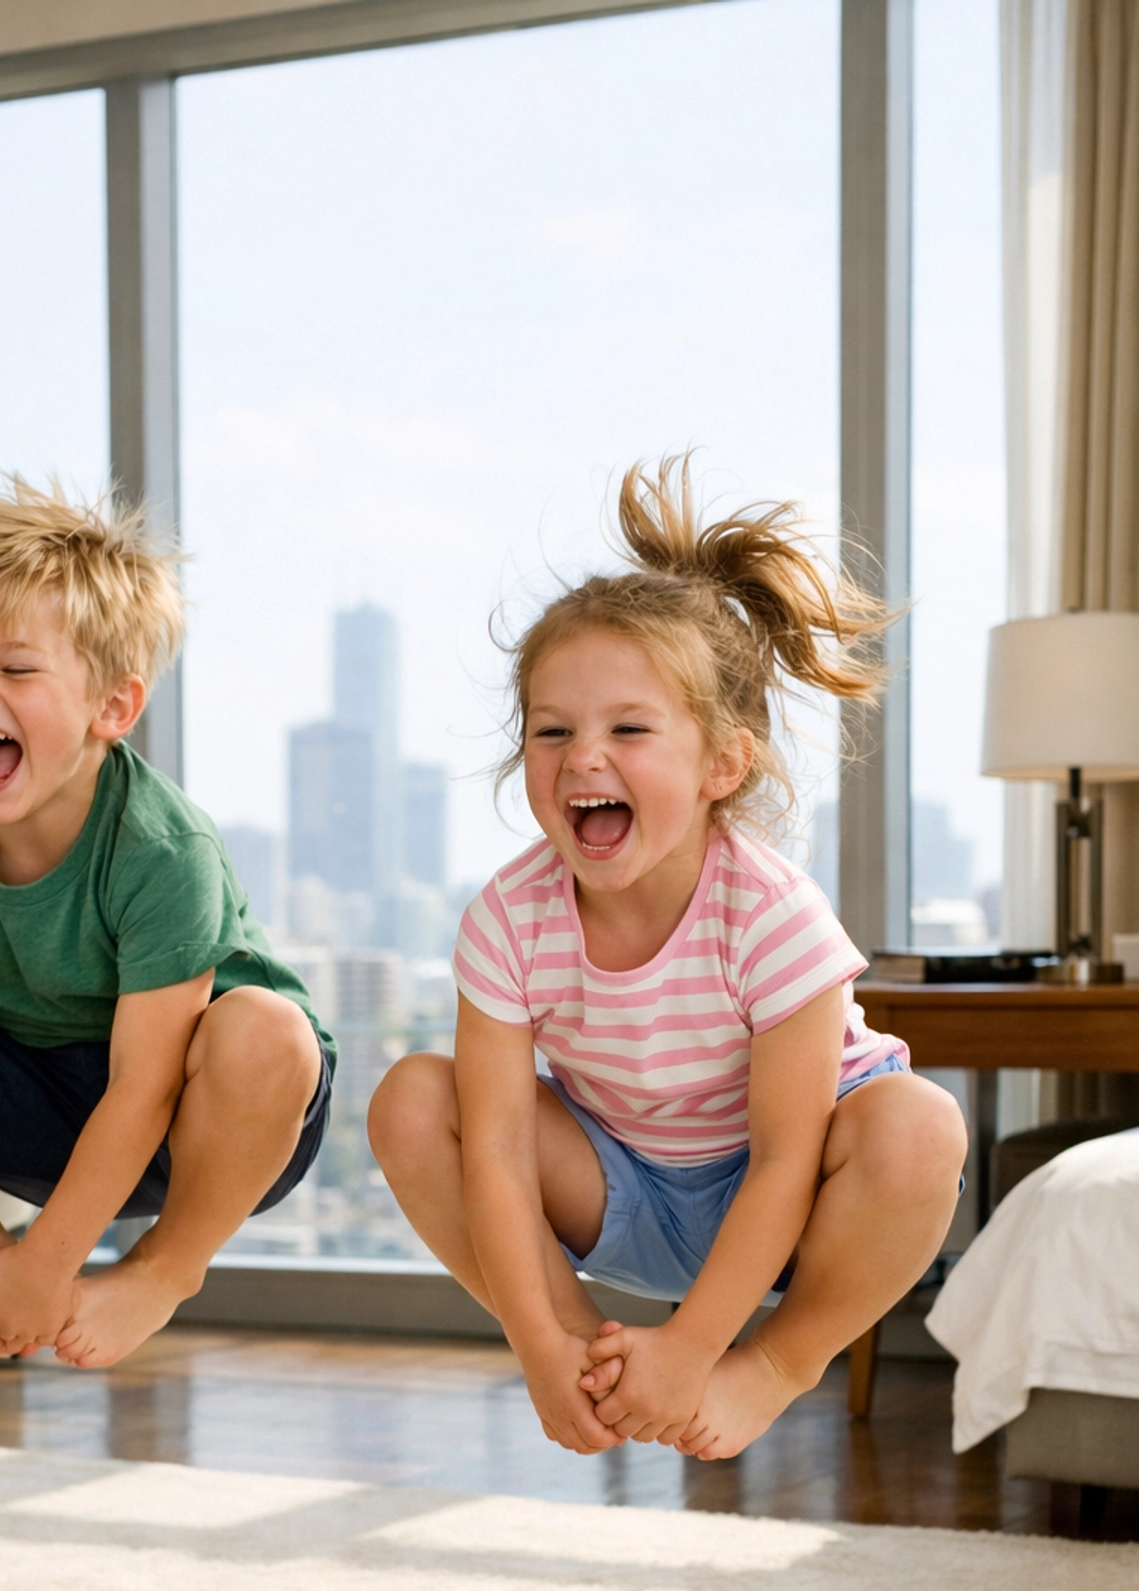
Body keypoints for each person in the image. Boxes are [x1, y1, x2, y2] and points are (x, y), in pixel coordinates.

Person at [368, 459, 966, 1462]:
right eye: (552, 732)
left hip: (786, 1202)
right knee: (412, 1101)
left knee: (920, 1126)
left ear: (721, 764)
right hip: (621, 1186)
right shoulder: (509, 919)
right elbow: (502, 1154)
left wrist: (695, 1352)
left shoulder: (773, 915)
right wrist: (541, 1348)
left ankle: (776, 1367)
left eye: (629, 729)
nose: (582, 757)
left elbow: (784, 1160)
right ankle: (580, 1359)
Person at [0, 481, 333, 1371]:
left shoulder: (163, 847)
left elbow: (145, 1083)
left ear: (112, 708)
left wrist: (54, 1260)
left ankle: (164, 1270)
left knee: (269, 1030)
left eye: (16, 669)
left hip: (203, 1114)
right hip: (38, 1096)